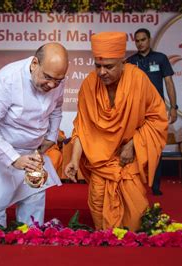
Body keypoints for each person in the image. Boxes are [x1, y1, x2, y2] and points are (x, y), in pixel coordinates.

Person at [64, 32, 168, 231]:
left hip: (127, 159)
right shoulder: (89, 84)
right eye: (98, 65)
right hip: (100, 161)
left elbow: (157, 118)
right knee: (99, 213)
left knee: (134, 218)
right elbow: (82, 128)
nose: (102, 72)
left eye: (109, 66)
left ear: (123, 62)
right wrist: (74, 160)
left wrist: (133, 144)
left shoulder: (139, 80)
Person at [0, 43, 68, 231]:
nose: (52, 85)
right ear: (35, 63)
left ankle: (31, 238)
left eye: (57, 81)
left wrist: (50, 137)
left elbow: (56, 107)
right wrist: (14, 158)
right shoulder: (8, 79)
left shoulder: (57, 78)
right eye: (47, 77)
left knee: (34, 192)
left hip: (30, 147)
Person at [127, 28, 178, 196]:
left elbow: (169, 83)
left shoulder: (160, 58)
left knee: (156, 148)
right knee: (135, 146)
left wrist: (174, 108)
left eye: (143, 39)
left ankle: (155, 185)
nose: (140, 43)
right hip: (136, 110)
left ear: (149, 40)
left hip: (156, 110)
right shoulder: (129, 61)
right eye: (137, 40)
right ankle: (136, 184)